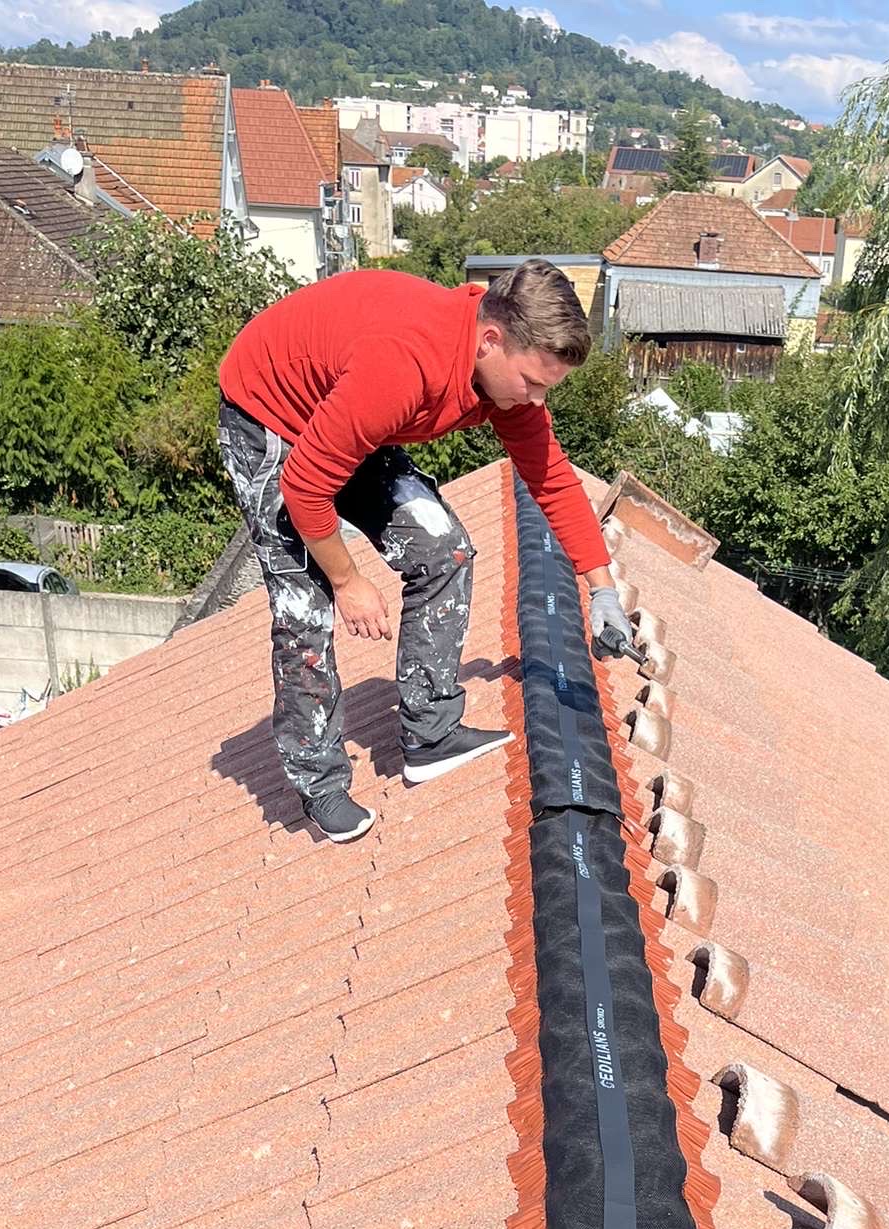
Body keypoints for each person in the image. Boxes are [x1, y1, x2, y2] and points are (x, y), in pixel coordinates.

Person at [218, 259, 637, 844]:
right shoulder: (405, 363)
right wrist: (348, 582)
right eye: (532, 382)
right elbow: (307, 484)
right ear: (491, 340)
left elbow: (552, 480)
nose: (537, 398)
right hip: (271, 415)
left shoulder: (500, 383)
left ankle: (431, 732)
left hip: (348, 413)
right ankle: (319, 782)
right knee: (304, 607)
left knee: (446, 548)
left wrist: (603, 589)